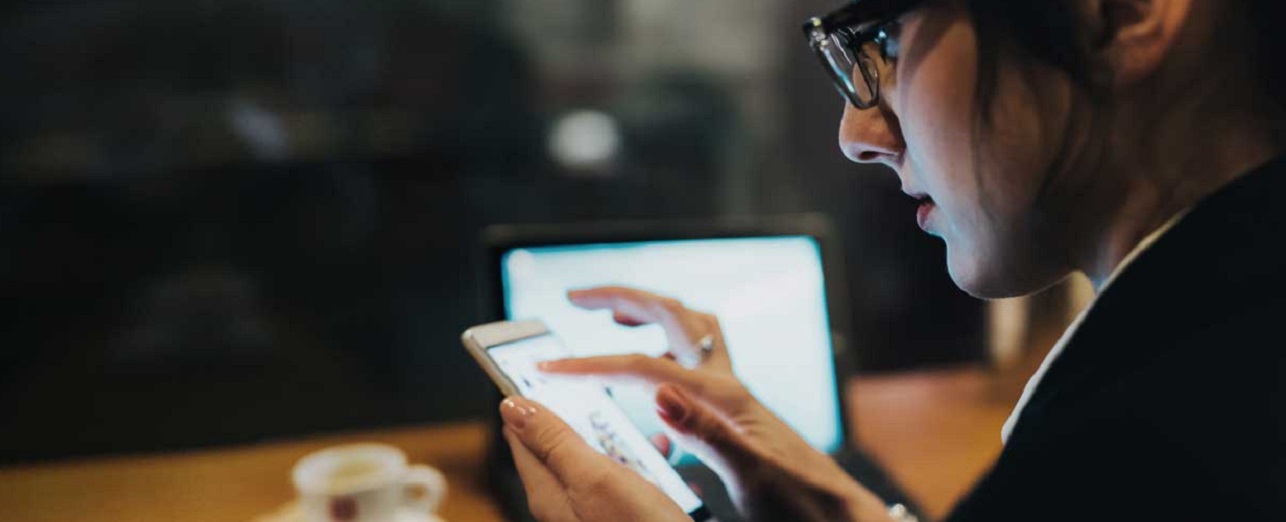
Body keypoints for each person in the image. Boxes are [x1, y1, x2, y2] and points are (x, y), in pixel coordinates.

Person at [496, 0, 1286, 519]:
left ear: (1118, 13)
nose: (856, 132)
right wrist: (833, 507)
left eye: (885, 41)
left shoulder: (1163, 436)